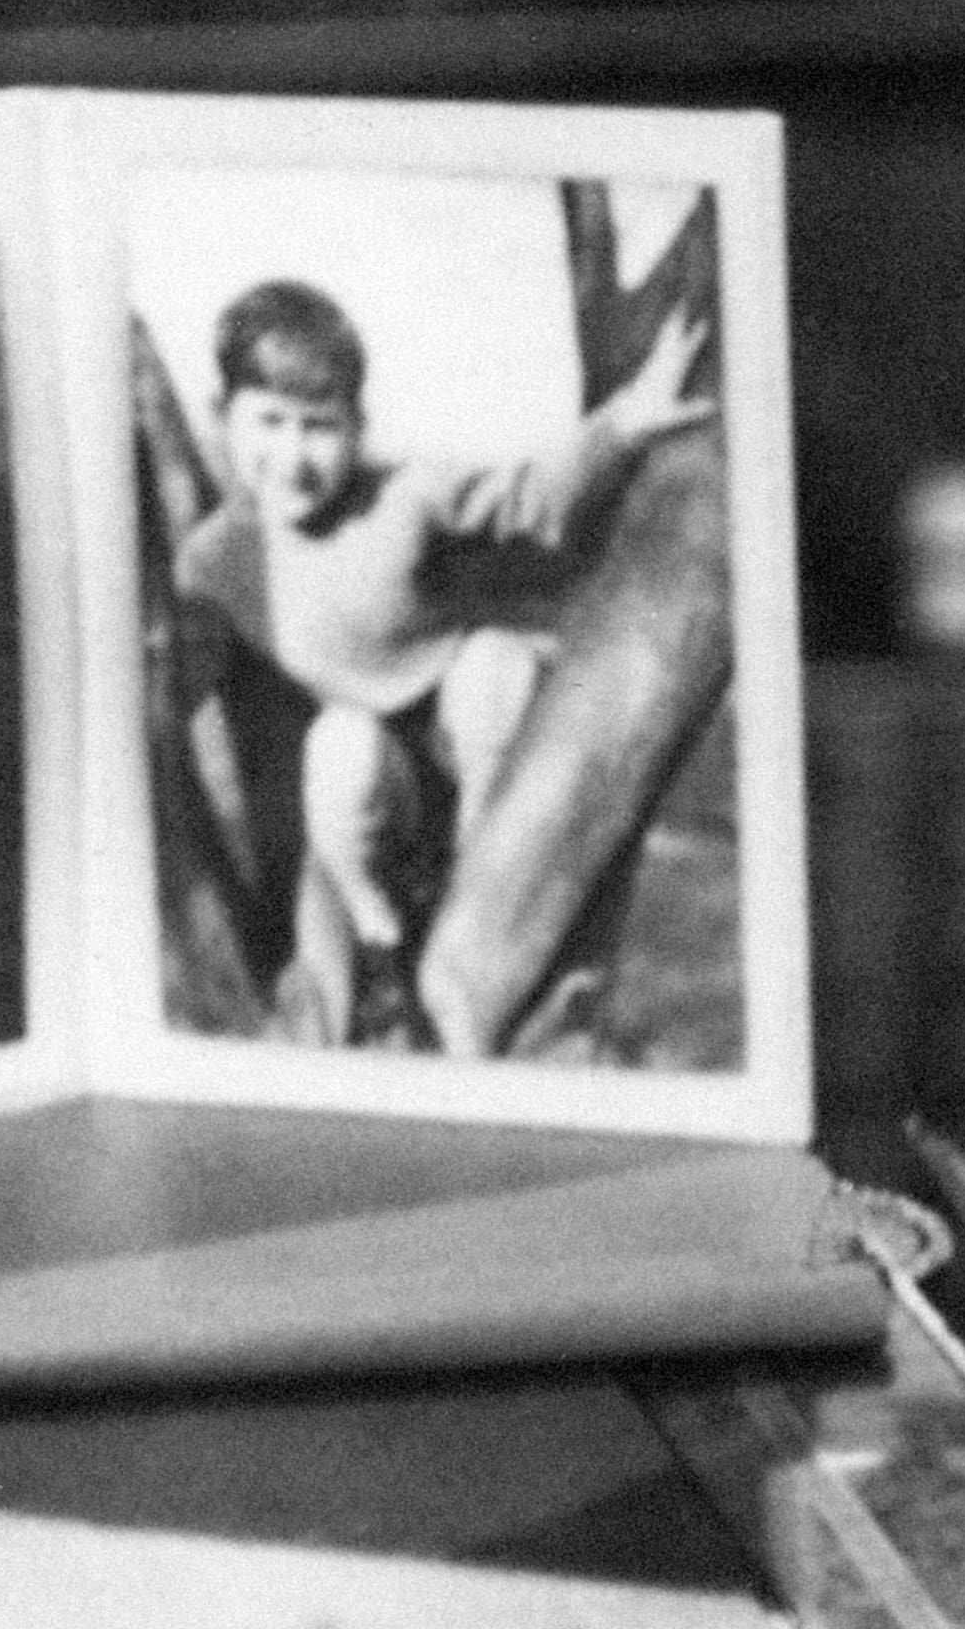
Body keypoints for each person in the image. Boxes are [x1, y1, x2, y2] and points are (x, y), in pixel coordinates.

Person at [176, 275, 710, 1049]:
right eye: (270, 421)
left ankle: (479, 881)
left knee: (491, 662)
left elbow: (528, 496)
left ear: (358, 427)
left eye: (319, 426)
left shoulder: (405, 497)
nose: (293, 456)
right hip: (375, 765)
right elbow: (181, 665)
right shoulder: (216, 560)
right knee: (340, 744)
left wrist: (625, 421)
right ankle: (383, 941)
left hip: (464, 739)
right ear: (222, 415)